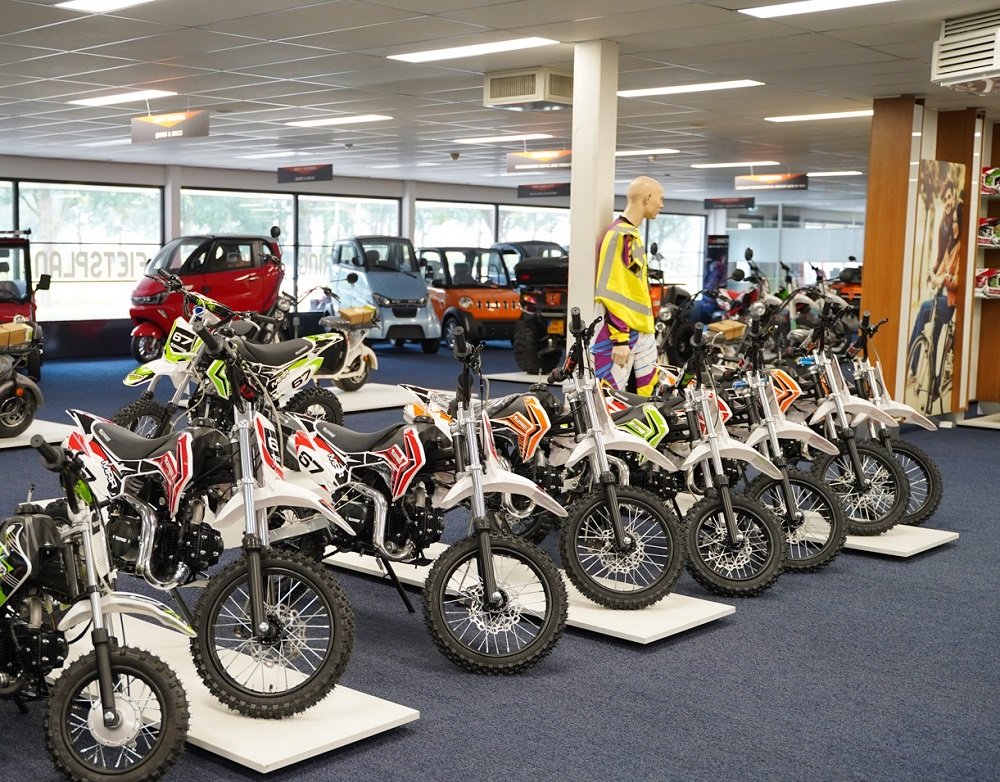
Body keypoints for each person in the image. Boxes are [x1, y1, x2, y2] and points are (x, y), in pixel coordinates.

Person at [592, 175, 664, 396]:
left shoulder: (632, 235)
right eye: (660, 198)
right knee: (610, 399)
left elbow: (633, 287)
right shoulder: (619, 236)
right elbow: (612, 291)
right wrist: (620, 339)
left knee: (648, 396)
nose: (661, 204)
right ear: (647, 197)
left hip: (642, 331)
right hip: (622, 334)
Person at [907, 179, 961, 388]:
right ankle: (931, 380)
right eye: (944, 198)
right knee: (933, 332)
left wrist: (943, 277)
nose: (947, 202)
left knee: (923, 312)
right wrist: (933, 274)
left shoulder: (959, 245)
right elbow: (940, 259)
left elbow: (955, 277)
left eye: (950, 197)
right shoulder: (945, 232)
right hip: (942, 297)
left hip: (950, 301)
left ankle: (914, 367)